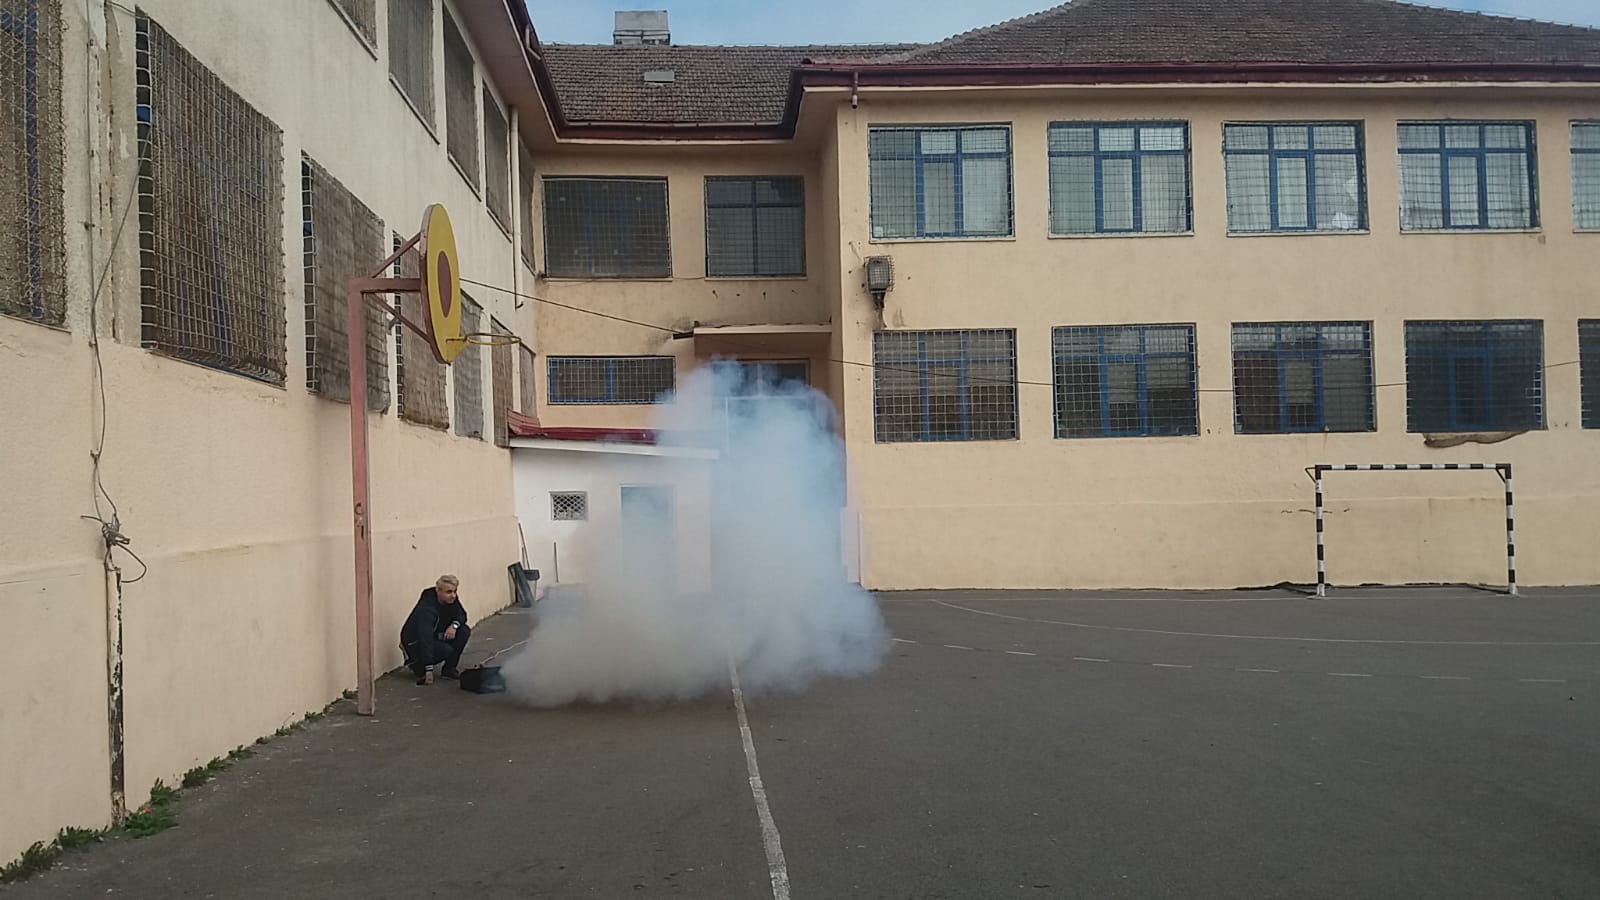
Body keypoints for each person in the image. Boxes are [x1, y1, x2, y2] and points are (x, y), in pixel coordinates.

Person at [401, 575, 471, 685]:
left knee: (464, 631)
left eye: (455, 591)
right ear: (438, 591)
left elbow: (462, 615)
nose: (453, 595)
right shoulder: (426, 609)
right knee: (446, 650)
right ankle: (419, 666)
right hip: (416, 643)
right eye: (449, 592)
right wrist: (428, 668)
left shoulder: (451, 600)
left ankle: (449, 669)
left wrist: (454, 625)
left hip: (436, 634)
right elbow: (425, 638)